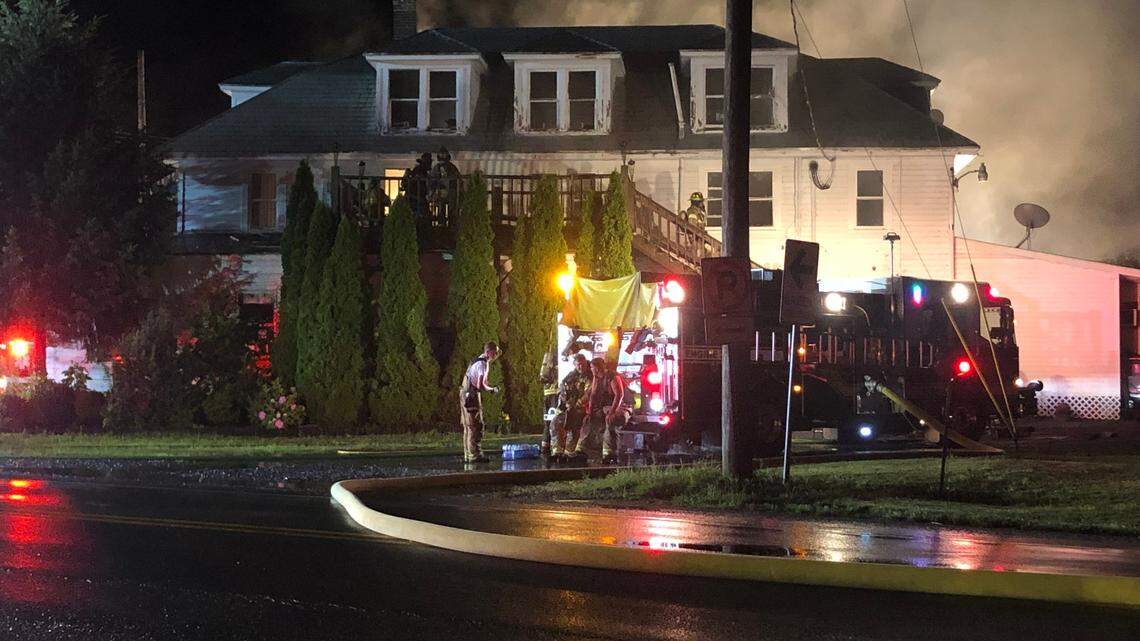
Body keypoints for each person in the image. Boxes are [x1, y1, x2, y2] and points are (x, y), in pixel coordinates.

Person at [569, 357, 628, 465]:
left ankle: (610, 454)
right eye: (591, 367)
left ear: (597, 368)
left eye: (592, 367)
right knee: (588, 420)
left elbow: (619, 395)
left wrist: (612, 412)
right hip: (604, 408)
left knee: (610, 420)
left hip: (621, 407)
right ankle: (581, 450)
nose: (591, 369)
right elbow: (591, 395)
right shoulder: (596, 379)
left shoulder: (612, 376)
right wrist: (584, 408)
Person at [459, 341, 500, 463]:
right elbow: (482, 384)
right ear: (489, 352)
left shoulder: (475, 361)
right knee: (475, 425)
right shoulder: (483, 364)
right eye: (495, 352)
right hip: (472, 395)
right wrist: (493, 389)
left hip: (464, 393)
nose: (496, 355)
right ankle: (475, 455)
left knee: (468, 427)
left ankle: (469, 454)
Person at [550, 354, 593, 461]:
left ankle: (571, 451)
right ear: (574, 365)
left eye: (582, 364)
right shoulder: (571, 376)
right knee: (556, 422)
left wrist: (578, 405)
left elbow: (590, 393)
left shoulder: (592, 375)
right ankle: (557, 452)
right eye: (578, 365)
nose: (580, 367)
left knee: (576, 422)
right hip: (571, 408)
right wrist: (567, 402)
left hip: (586, 408)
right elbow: (563, 388)